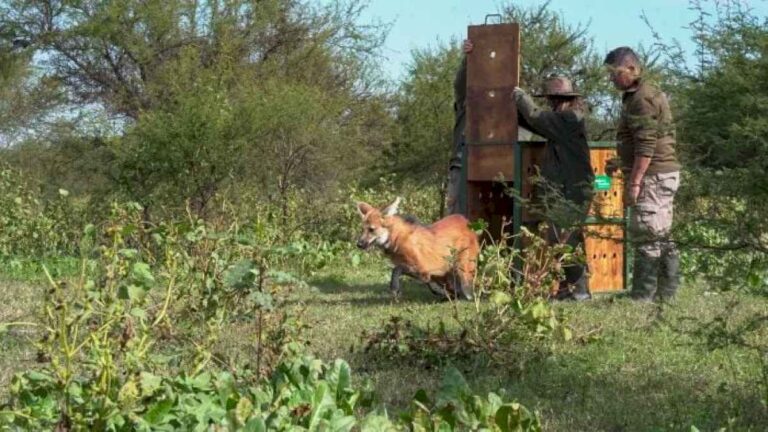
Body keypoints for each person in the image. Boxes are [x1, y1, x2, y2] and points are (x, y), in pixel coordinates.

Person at [604, 46, 682, 301]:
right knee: (660, 232)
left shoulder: (641, 98)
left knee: (647, 230)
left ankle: (643, 296)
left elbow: (646, 146)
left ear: (631, 69)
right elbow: (640, 141)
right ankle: (665, 294)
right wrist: (621, 161)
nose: (611, 78)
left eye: (615, 73)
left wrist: (634, 182)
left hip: (653, 175)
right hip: (659, 172)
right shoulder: (638, 94)